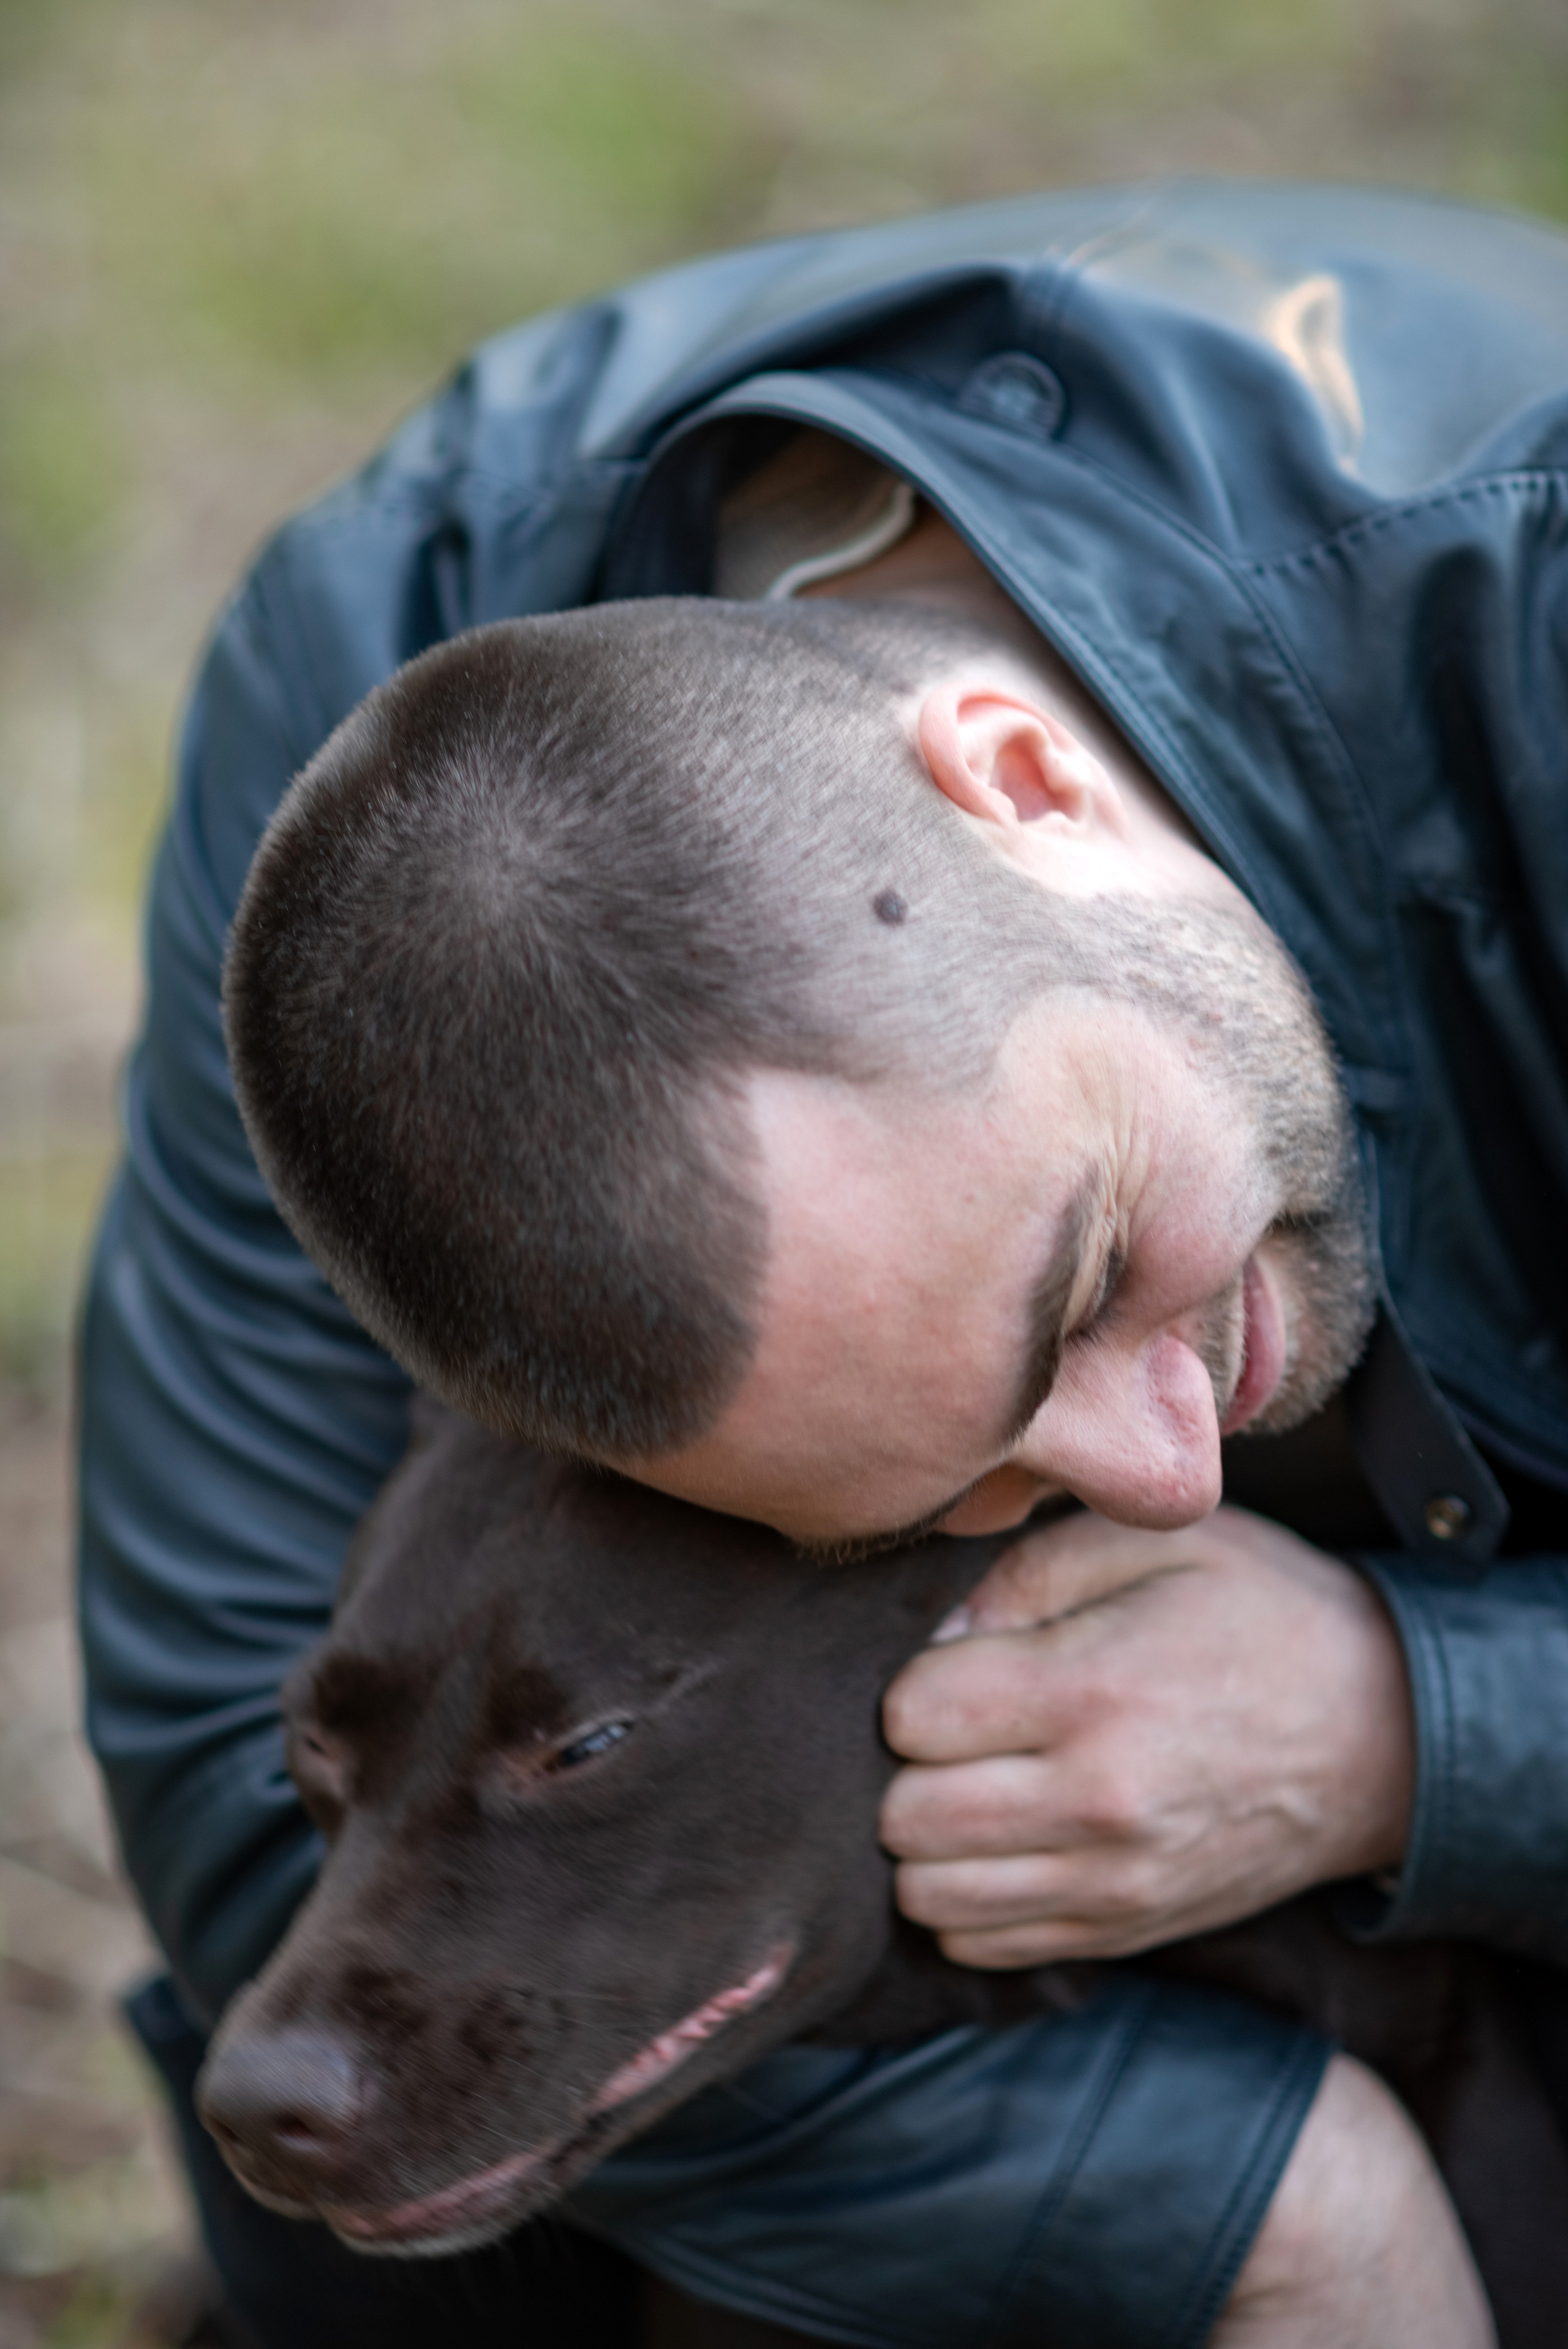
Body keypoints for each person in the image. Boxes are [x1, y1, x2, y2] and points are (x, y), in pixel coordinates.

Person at [78, 180, 1568, 2348]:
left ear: (1031, 785)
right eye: (935, 1478)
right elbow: (239, 1767)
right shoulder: (369, 824)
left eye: (1079, 1273)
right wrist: (1252, 2196)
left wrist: (1417, 1730)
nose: (1159, 1476)